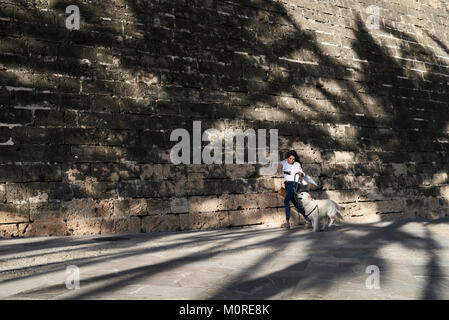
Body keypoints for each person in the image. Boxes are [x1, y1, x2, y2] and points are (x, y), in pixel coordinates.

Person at [277, 150, 311, 229]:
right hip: (287, 185)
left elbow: (302, 173)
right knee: (296, 204)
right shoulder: (284, 162)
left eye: (293, 159)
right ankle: (308, 219)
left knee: (286, 201)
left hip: (294, 184)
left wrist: (301, 173)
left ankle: (287, 222)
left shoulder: (297, 164)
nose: (291, 160)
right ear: (287, 158)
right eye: (290, 158)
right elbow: (277, 164)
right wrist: (277, 165)